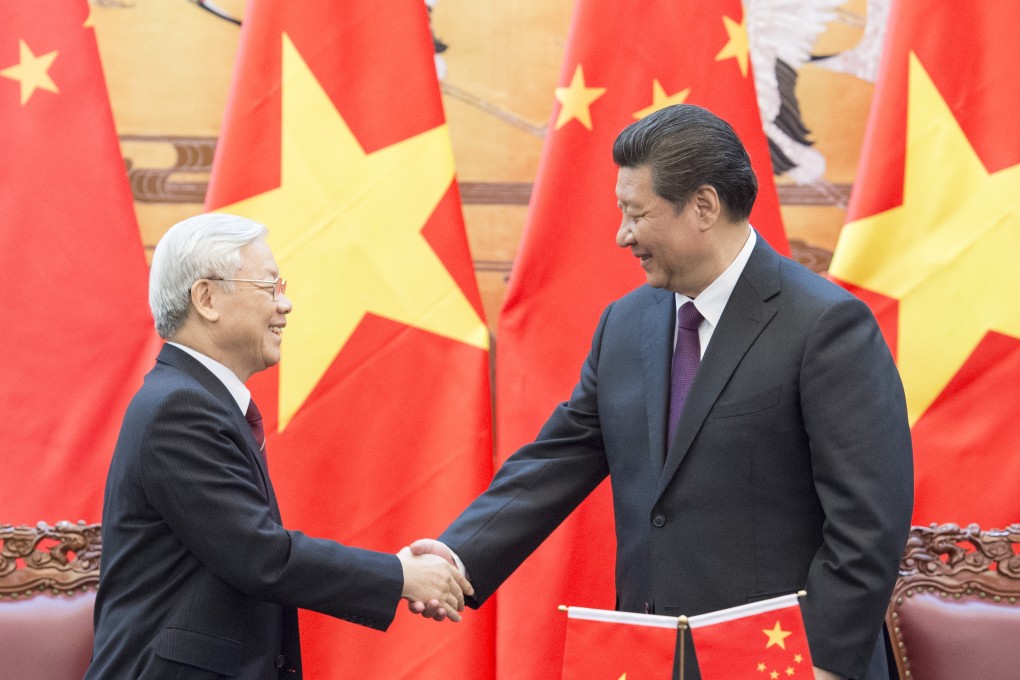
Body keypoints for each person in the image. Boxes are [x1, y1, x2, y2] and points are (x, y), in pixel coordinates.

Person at [409, 104, 913, 680]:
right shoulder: (625, 324)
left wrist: (816, 661)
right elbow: (559, 458)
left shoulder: (825, 326)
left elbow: (869, 522)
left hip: (780, 660)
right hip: (650, 658)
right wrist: (457, 555)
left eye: (635, 213)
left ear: (703, 206)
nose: (622, 234)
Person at [85, 213, 471, 680]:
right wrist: (399, 575)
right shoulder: (180, 408)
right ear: (206, 298)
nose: (285, 305)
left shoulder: (193, 399)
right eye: (269, 288)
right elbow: (259, 557)